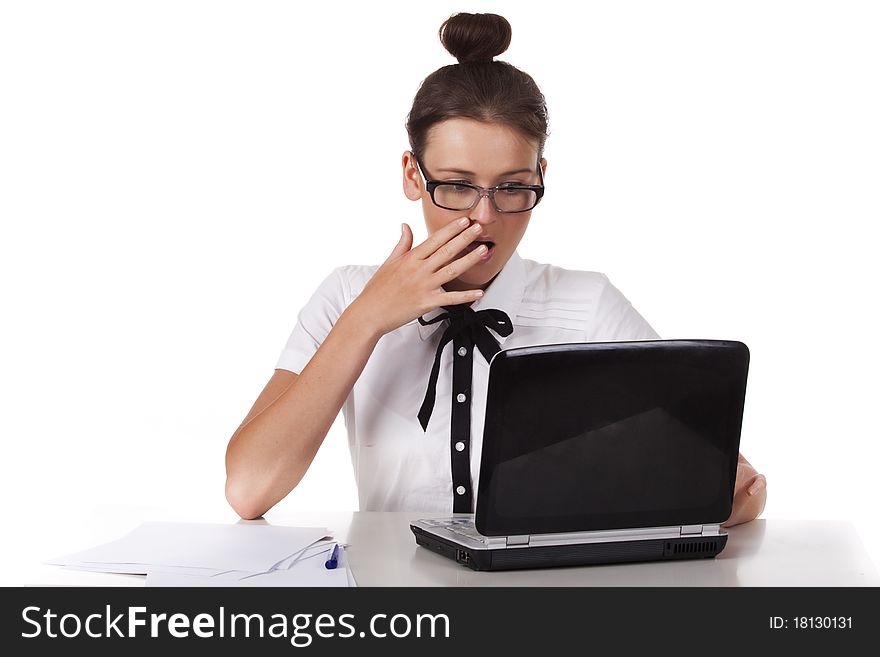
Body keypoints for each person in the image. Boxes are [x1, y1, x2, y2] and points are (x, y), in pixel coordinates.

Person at [224, 12, 767, 526]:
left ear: (540, 175)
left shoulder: (587, 306)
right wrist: (367, 319)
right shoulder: (346, 295)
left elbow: (732, 484)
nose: (484, 218)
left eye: (512, 187)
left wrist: (716, 492)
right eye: (457, 185)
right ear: (413, 174)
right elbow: (249, 489)